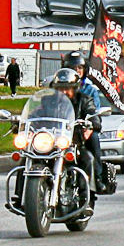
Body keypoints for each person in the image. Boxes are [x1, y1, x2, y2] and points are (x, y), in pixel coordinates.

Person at [12, 69, 103, 213]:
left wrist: (91, 123)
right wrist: (22, 124)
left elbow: (93, 116)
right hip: (49, 142)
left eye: (67, 89)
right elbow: (35, 114)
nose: (64, 92)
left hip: (72, 142)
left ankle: (88, 199)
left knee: (88, 159)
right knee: (26, 157)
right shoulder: (47, 101)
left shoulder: (84, 100)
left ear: (75, 89)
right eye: (60, 88)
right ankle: (19, 197)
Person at [62, 50, 108, 189]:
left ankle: (97, 179)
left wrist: (91, 125)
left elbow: (94, 112)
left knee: (93, 140)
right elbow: (44, 104)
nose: (77, 71)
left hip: (80, 128)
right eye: (73, 68)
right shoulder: (56, 85)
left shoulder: (89, 89)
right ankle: (21, 194)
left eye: (79, 68)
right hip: (60, 128)